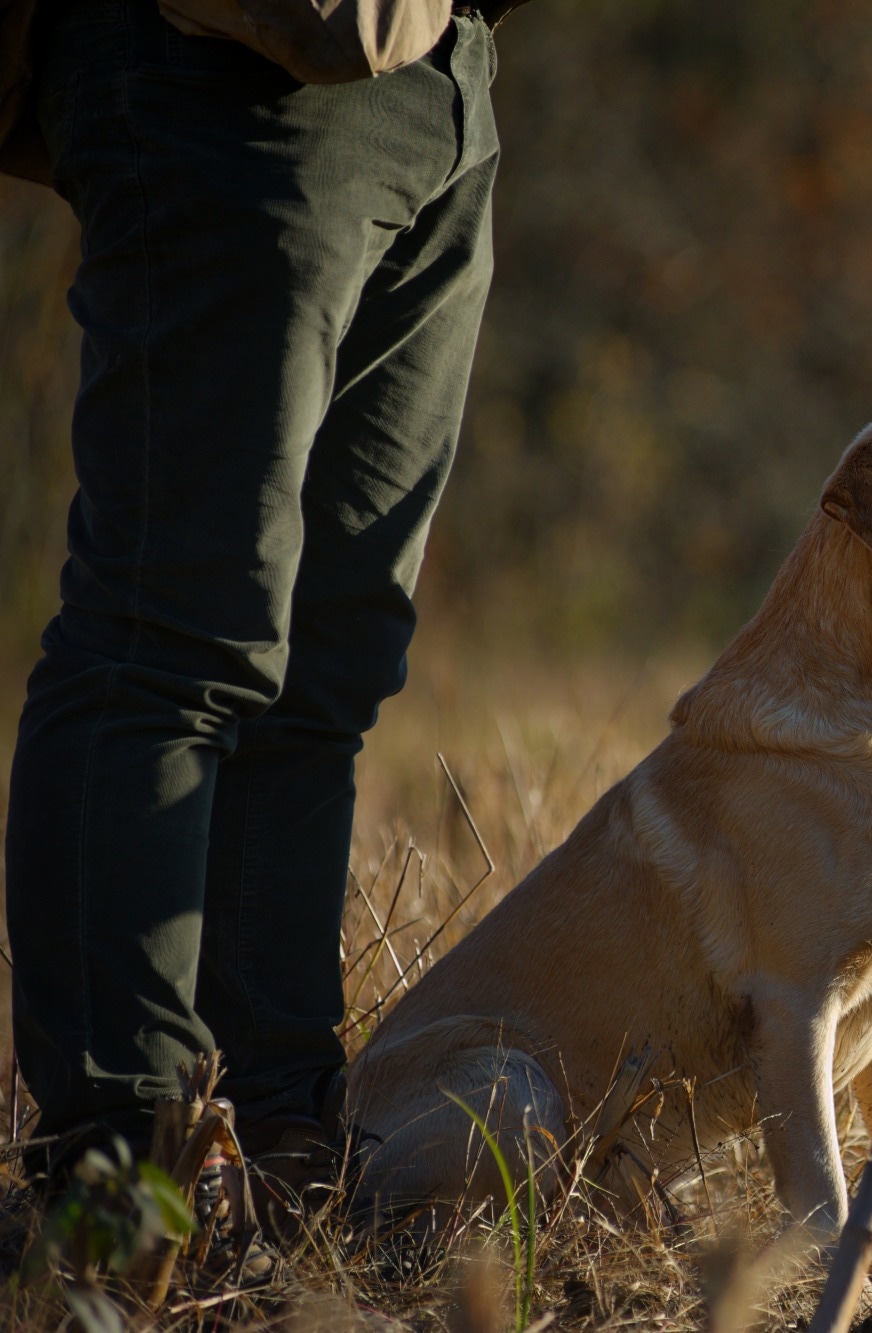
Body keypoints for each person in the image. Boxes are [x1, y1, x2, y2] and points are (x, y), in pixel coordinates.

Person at [0, 0, 525, 1218]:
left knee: (327, 666)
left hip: (442, 67)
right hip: (224, 68)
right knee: (171, 635)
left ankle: (282, 1127)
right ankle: (123, 1167)